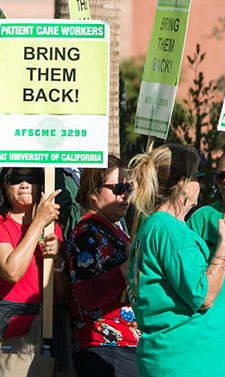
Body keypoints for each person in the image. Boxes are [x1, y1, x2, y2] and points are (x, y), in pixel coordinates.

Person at [127, 143, 225, 377]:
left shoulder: (159, 226)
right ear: (182, 183)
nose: (202, 183)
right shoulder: (170, 231)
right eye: (197, 176)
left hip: (184, 359)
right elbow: (204, 295)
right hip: (186, 362)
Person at [65, 155, 139, 377]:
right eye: (117, 187)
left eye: (128, 187)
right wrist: (128, 268)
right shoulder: (87, 233)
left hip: (124, 346)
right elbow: (88, 294)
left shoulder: (113, 228)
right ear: (93, 192)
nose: (124, 194)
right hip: (104, 348)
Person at [0, 167, 64, 341]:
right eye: (15, 178)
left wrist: (57, 261)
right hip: (4, 333)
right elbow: (11, 271)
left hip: (46, 330)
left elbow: (63, 295)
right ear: (4, 185)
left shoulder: (52, 229)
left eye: (32, 178)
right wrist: (38, 222)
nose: (24, 184)